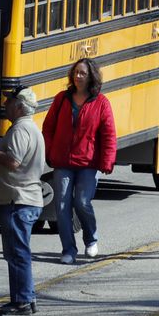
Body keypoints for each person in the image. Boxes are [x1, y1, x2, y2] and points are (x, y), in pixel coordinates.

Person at [42, 58, 117, 264]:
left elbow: (109, 134)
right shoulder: (62, 99)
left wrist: (107, 161)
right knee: (62, 205)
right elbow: (48, 128)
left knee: (82, 202)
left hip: (88, 163)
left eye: (83, 73)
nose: (78, 76)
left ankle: (91, 238)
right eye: (76, 72)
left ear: (91, 76)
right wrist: (50, 152)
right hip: (62, 162)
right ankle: (68, 249)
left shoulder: (101, 103)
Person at [0, 86, 45, 315]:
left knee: (18, 253)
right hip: (22, 200)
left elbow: (13, 161)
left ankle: (23, 301)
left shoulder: (20, 130)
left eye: (9, 101)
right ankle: (25, 298)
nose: (5, 105)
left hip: (18, 201)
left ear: (19, 106)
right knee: (17, 252)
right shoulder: (30, 128)